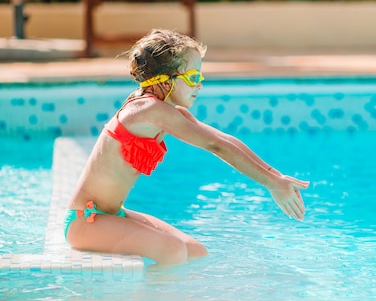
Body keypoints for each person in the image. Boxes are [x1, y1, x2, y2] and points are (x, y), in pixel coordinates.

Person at [64, 29, 309, 266]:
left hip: (112, 216)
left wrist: (276, 177)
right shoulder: (147, 110)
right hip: (85, 220)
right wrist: (270, 184)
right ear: (164, 80)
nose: (199, 84)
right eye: (193, 77)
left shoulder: (167, 112)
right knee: (172, 251)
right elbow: (216, 146)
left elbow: (224, 139)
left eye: (200, 77)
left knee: (195, 252)